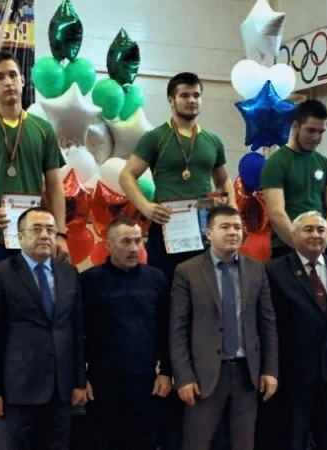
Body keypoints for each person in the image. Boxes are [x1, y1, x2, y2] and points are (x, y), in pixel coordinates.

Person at [118, 71, 237, 450]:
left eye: (196, 95)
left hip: (202, 234)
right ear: (171, 100)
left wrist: (229, 209)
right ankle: (168, 371)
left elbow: (224, 181)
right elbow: (127, 176)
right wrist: (145, 207)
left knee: (206, 304)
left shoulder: (213, 141)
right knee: (169, 305)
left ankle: (206, 369)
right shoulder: (156, 138)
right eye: (184, 95)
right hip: (167, 232)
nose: (192, 101)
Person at [0, 207, 88, 450]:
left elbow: (76, 331)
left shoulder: (69, 273)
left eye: (50, 230)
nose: (45, 235)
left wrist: (79, 381)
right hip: (15, 395)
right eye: (36, 229)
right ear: (20, 236)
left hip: (60, 393)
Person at [170, 205, 279, 450]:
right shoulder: (187, 271)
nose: (233, 232)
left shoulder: (256, 269)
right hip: (204, 374)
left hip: (247, 372)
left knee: (243, 443)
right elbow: (178, 329)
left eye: (237, 227)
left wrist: (270, 370)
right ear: (208, 233)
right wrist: (184, 376)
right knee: (196, 442)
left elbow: (267, 323)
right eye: (225, 227)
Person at [0, 50, 69, 268]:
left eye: (12, 75)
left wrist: (60, 233)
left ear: (23, 80)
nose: (8, 82)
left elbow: (55, 184)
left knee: (37, 289)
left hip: (37, 233)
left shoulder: (43, 129)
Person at [265, 211, 327, 450]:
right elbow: (268, 327)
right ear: (293, 235)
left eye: (321, 230)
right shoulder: (273, 271)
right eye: (308, 229)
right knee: (291, 441)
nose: (316, 235)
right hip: (293, 377)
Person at [79, 216, 173, 450]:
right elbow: (78, 333)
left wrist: (166, 372)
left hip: (147, 381)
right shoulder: (89, 281)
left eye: (138, 241)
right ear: (109, 246)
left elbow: (166, 328)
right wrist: (80, 377)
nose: (134, 248)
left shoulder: (156, 279)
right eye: (126, 242)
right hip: (101, 384)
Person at [260, 99, 327, 258]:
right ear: (295, 125)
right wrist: (302, 246)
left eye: (321, 132)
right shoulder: (276, 163)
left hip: (321, 249)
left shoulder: (326, 164)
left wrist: (323, 241)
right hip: (286, 247)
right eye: (310, 130)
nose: (315, 137)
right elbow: (276, 213)